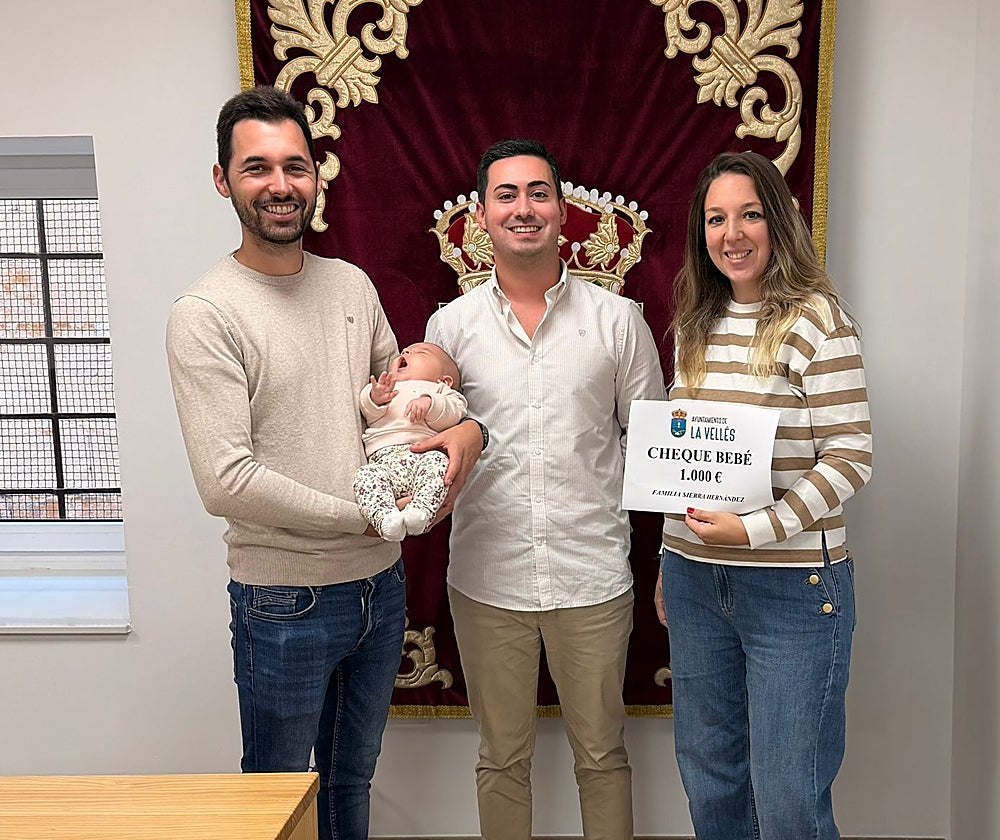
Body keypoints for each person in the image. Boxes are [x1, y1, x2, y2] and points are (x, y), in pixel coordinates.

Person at [166, 86, 407, 840]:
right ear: (222, 180)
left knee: (350, 784)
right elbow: (225, 481)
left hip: (381, 588)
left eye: (295, 166)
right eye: (257, 168)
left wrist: (456, 434)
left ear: (317, 175)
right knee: (274, 803)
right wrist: (363, 517)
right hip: (284, 603)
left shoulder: (351, 285)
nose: (280, 185)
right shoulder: (205, 314)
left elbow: (397, 403)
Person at [416, 138, 666, 840]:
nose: (523, 208)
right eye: (506, 195)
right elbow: (427, 445)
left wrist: (670, 558)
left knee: (603, 757)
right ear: (481, 216)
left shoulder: (619, 323)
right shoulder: (450, 328)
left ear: (562, 210)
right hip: (487, 581)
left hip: (593, 579)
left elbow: (653, 451)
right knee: (501, 760)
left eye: (537, 193)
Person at [653, 151, 872, 840]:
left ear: (778, 221)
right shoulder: (696, 322)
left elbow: (850, 458)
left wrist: (753, 531)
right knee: (710, 780)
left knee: (787, 798)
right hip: (695, 582)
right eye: (716, 218)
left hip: (793, 590)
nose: (733, 233)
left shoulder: (816, 321)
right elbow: (682, 461)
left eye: (749, 214)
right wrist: (669, 554)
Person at [355, 341, 467, 540]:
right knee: (366, 475)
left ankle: (420, 510)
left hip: (421, 458)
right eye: (405, 350)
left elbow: (455, 412)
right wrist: (375, 398)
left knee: (440, 464)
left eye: (421, 352)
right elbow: (367, 412)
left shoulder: (441, 392)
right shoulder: (388, 389)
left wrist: (430, 403)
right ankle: (385, 518)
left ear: (445, 380)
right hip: (383, 462)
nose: (406, 351)